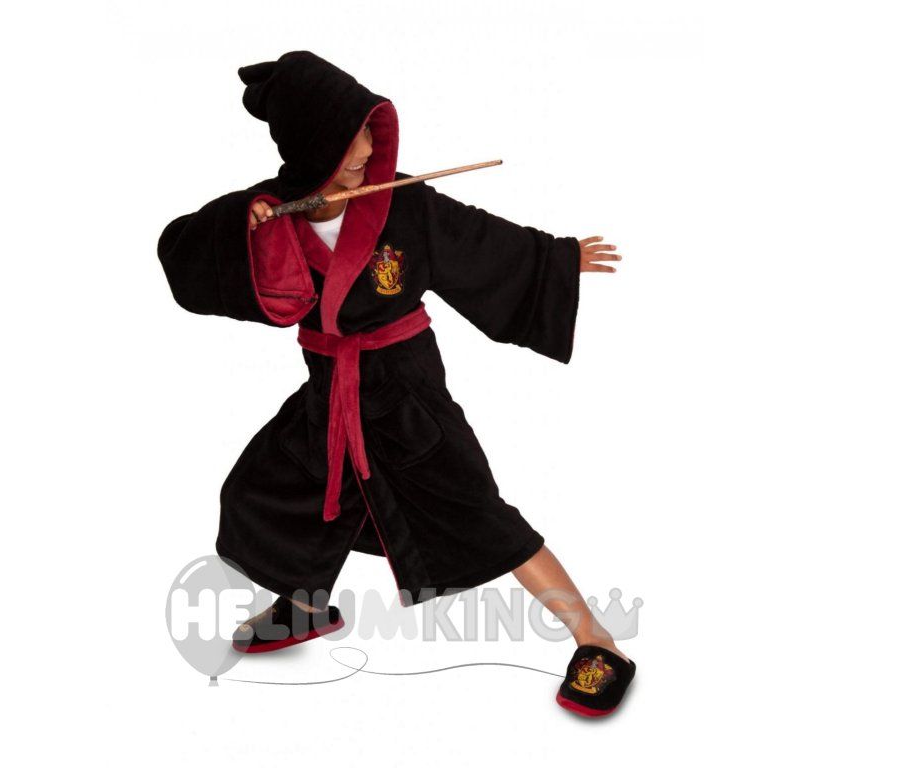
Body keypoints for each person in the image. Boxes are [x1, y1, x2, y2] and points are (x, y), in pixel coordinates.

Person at [157, 50, 635, 717]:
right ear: (308, 141)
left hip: (408, 395)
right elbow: (188, 254)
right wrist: (246, 229)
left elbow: (480, 241)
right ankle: (305, 606)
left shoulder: (402, 202)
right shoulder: (274, 210)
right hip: (328, 392)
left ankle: (596, 638)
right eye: (347, 136)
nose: (365, 149)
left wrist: (556, 259)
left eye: (368, 131)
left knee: (479, 515)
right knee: (268, 490)